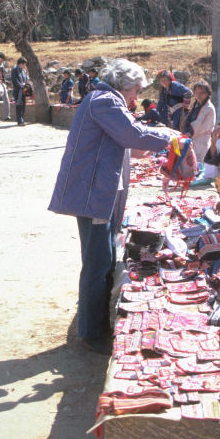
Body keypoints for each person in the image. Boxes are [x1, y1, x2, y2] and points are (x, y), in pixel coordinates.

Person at [48, 59, 177, 354]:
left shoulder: (105, 101)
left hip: (103, 192)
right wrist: (170, 137)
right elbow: (132, 136)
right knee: (97, 262)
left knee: (104, 258)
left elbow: (132, 140)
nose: (136, 97)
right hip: (94, 194)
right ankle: (91, 331)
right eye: (136, 90)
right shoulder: (105, 101)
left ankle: (98, 325)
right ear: (125, 84)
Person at [181, 80, 217, 166]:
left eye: (202, 93)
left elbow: (201, 127)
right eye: (197, 92)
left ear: (208, 93)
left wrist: (189, 132)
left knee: (200, 164)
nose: (199, 95)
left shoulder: (209, 108)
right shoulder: (196, 105)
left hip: (202, 140)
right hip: (193, 139)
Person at [11, 57, 30, 126]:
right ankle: (20, 120)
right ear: (21, 64)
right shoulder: (15, 70)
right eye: (24, 64)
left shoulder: (23, 71)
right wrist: (22, 86)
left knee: (23, 106)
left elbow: (26, 80)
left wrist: (26, 86)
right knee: (19, 105)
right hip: (18, 90)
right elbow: (15, 81)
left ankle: (22, 119)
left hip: (23, 91)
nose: (25, 66)